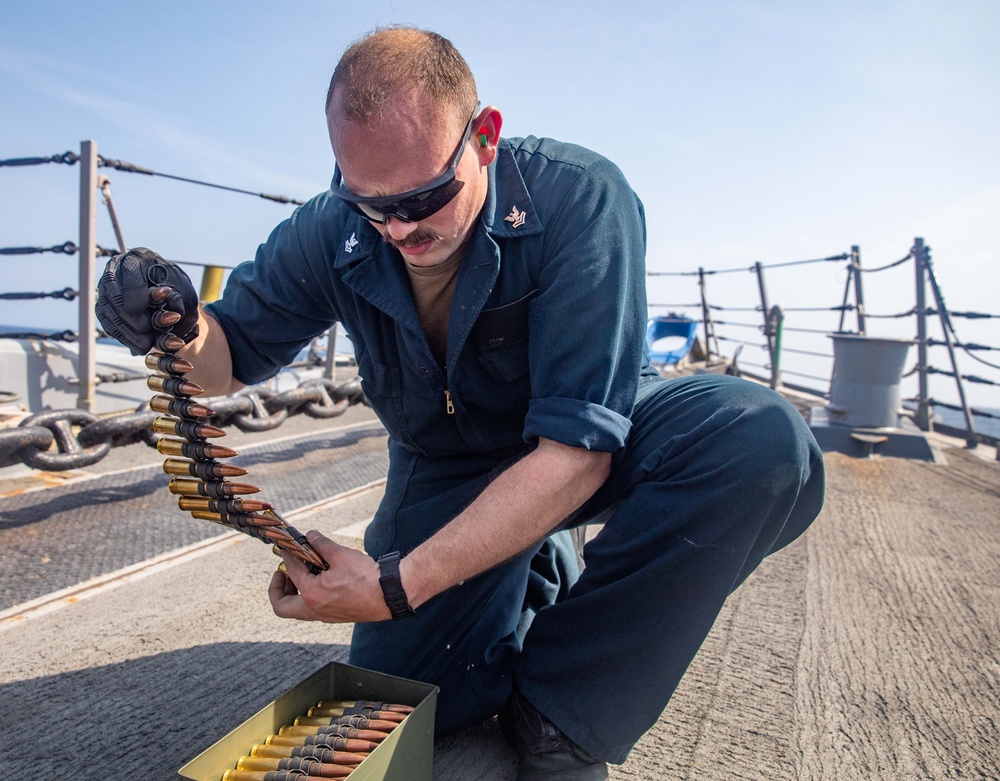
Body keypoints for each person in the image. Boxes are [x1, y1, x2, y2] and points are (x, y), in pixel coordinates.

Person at [96, 26, 825, 781]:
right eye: (371, 205)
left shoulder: (580, 197)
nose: (399, 228)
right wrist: (176, 327)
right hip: (445, 468)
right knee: (420, 695)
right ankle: (531, 563)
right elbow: (227, 356)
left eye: (422, 197)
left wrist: (392, 583)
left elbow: (577, 455)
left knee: (760, 442)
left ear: (485, 137)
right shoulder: (332, 227)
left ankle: (563, 711)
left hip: (587, 441)